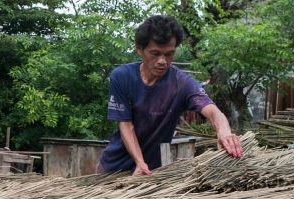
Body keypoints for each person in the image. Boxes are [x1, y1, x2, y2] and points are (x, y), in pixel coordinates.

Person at [98, 15, 243, 176]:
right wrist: (139, 162)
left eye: (169, 54)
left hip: (151, 172)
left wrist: (224, 131)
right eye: (155, 53)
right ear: (140, 49)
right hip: (113, 168)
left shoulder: (181, 83)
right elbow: (126, 124)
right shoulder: (122, 77)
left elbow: (212, 110)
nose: (162, 61)